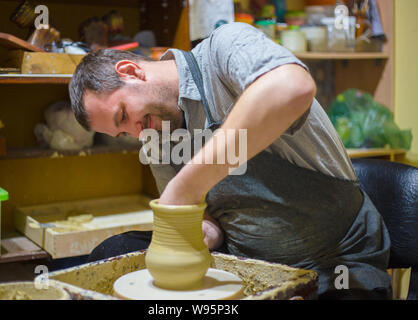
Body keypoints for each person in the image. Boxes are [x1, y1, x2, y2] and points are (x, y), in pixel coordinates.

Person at [68, 22, 391, 299]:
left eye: (124, 114)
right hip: (252, 267)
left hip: (337, 259)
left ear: (131, 72)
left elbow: (292, 87)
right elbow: (204, 218)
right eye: (122, 131)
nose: (136, 133)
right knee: (113, 251)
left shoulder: (224, 49)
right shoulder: (155, 134)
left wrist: (189, 182)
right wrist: (204, 232)